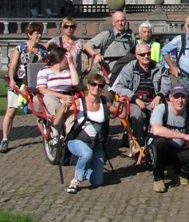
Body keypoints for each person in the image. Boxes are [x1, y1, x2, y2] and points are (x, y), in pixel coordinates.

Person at [54, 72, 111, 193]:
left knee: (97, 182)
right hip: (76, 140)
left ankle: (86, 169)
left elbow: (120, 113)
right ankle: (76, 180)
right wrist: (63, 105)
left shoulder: (104, 103)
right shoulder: (79, 103)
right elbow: (56, 122)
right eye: (93, 84)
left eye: (100, 85)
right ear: (88, 86)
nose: (97, 87)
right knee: (86, 153)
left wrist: (122, 102)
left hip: (96, 144)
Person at [149, 84, 189, 193]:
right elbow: (157, 130)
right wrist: (184, 136)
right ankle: (158, 177)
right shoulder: (161, 109)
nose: (180, 100)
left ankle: (178, 171)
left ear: (187, 98)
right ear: (170, 98)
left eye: (183, 97)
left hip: (178, 150)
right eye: (176, 97)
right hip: (159, 149)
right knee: (160, 142)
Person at [112, 43, 171, 147]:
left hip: (154, 100)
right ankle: (139, 142)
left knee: (162, 114)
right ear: (137, 56)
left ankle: (155, 142)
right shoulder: (129, 68)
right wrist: (134, 98)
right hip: (135, 101)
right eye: (142, 54)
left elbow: (167, 84)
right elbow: (119, 86)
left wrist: (159, 96)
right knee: (137, 115)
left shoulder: (158, 67)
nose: (146, 56)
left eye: (148, 53)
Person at [1, 22, 47, 153]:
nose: (38, 36)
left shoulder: (43, 51)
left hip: (34, 85)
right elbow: (12, 66)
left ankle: (46, 136)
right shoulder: (20, 48)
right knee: (11, 111)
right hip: (19, 83)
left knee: (40, 112)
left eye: (40, 33)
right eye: (36, 33)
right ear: (29, 35)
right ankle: (5, 139)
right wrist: (11, 80)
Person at [37, 45, 81, 123]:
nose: (68, 59)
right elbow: (42, 90)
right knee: (52, 101)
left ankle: (69, 131)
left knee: (77, 105)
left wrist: (71, 64)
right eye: (67, 57)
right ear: (60, 58)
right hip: (52, 96)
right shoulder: (44, 71)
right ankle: (56, 130)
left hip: (68, 95)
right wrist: (62, 96)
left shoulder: (68, 71)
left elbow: (76, 82)